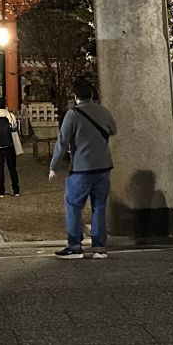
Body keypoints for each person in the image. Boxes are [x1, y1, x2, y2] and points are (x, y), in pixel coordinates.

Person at [48, 77, 116, 258]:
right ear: (92, 94)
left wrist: (54, 166)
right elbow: (113, 130)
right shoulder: (103, 111)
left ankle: (75, 245)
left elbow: (62, 142)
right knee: (99, 206)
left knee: (73, 205)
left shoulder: (73, 114)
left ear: (75, 95)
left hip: (81, 167)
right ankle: (99, 247)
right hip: (103, 166)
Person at [0, 99, 23, 197]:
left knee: (0, 168)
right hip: (9, 144)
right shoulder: (10, 115)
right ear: (5, 105)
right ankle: (16, 190)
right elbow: (14, 127)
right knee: (12, 168)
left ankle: (1, 191)